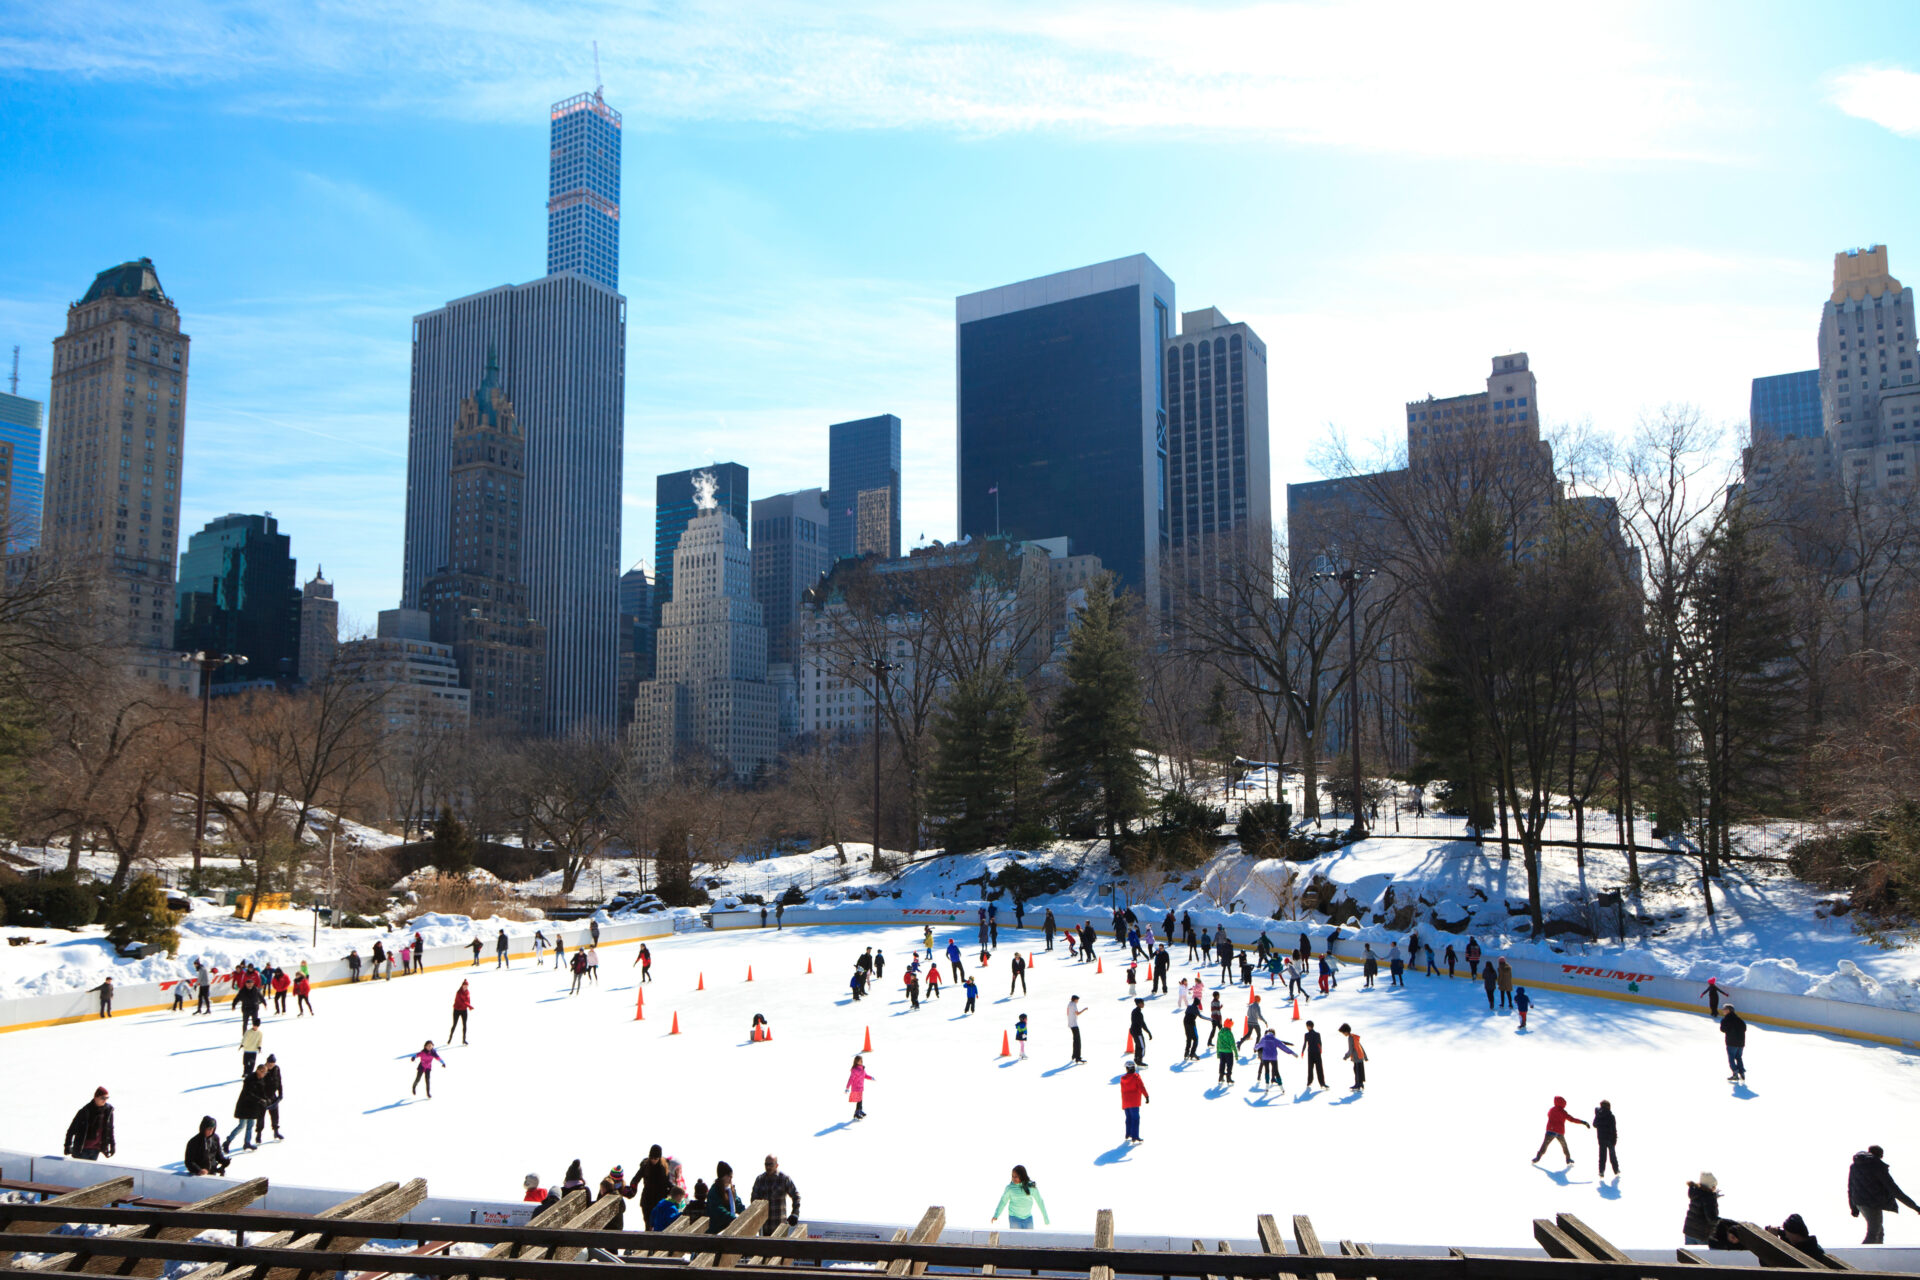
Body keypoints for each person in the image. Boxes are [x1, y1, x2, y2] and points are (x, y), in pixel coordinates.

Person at [1849, 1145, 1920, 1244]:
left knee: (1879, 1232)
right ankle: (1863, 1255)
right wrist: (1915, 1207)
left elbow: (1851, 1187)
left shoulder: (1855, 1165)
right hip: (1872, 1204)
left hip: (1859, 1202)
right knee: (1873, 1233)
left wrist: (1853, 1207)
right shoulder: (1877, 1166)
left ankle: (1876, 1254)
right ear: (1879, 1155)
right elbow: (1894, 1189)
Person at [225, 1063, 273, 1152]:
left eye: (265, 1072)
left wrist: (267, 1099)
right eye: (262, 1072)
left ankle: (247, 1142)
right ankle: (228, 1141)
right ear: (258, 1070)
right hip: (244, 1106)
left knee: (250, 1125)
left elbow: (262, 1092)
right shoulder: (250, 1079)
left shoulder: (261, 1080)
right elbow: (248, 1094)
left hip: (253, 1107)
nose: (263, 1074)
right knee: (241, 1125)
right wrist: (260, 1100)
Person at [750, 1154, 801, 1233]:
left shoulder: (784, 1179)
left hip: (780, 1227)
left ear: (776, 1165)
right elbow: (754, 1201)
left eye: (771, 1164)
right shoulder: (760, 1180)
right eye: (766, 1164)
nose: (768, 1167)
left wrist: (795, 1213)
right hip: (764, 1228)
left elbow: (796, 1196)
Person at [1532, 1096, 1587, 1165]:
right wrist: (1583, 1122)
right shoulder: (1563, 1112)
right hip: (1559, 1132)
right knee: (1564, 1145)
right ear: (1563, 1104)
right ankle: (1568, 1159)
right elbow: (1572, 1119)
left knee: (1545, 1145)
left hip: (1550, 1130)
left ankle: (1538, 1157)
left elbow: (1548, 1115)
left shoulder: (1551, 1109)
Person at [64, 1087, 116, 1161]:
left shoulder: (108, 1111)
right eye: (102, 1098)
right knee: (80, 1172)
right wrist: (67, 1146)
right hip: (82, 1150)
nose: (105, 1100)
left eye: (107, 1098)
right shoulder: (85, 1111)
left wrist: (112, 1145)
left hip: (96, 1149)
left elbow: (110, 1129)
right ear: (96, 1097)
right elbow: (71, 1130)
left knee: (90, 1171)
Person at [992, 1165, 1050, 1230]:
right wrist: (996, 1215)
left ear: (1022, 1176)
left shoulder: (1031, 1187)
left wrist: (1046, 1218)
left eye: (1016, 1177)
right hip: (1014, 1218)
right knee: (1017, 1239)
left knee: (1029, 1239)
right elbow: (1003, 1202)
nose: (1013, 1179)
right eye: (1012, 1176)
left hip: (1028, 1218)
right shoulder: (1010, 1188)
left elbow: (1040, 1201)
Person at [1684, 1173, 1724, 1247]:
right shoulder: (1709, 1198)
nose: (1715, 1188)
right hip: (1702, 1235)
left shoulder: (1696, 1193)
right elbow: (1711, 1218)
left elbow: (1702, 1203)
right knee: (1703, 1257)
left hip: (1689, 1232)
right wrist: (1725, 1222)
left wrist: (1714, 1197)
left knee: (1689, 1256)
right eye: (1713, 1185)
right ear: (1710, 1186)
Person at [706, 1162, 742, 1234]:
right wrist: (733, 1219)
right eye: (729, 1176)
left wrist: (746, 1214)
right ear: (723, 1176)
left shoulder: (731, 1190)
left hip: (730, 1228)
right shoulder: (714, 1191)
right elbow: (718, 1210)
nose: (731, 1178)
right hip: (717, 1230)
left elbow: (738, 1204)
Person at [1119, 1061, 1150, 1143]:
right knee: (1135, 1119)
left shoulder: (1123, 1079)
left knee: (1128, 1118)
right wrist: (1146, 1096)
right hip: (1134, 1102)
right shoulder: (1136, 1077)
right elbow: (1141, 1087)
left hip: (1126, 1102)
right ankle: (1135, 1136)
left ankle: (1128, 1133)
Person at [1720, 1006, 1748, 1081]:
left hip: (1731, 1042)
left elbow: (1722, 1029)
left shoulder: (1726, 1019)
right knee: (1738, 1057)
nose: (1723, 1010)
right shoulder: (1739, 1019)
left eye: (1724, 1009)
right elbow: (1744, 1028)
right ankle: (1742, 1072)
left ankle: (1735, 1073)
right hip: (1741, 1043)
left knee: (1731, 1058)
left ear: (1728, 1010)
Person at [263, 1054, 285, 1139]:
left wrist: (280, 1094)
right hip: (264, 1097)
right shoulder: (262, 1069)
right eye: (269, 1064)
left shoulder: (277, 1069)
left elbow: (279, 1081)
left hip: (273, 1096)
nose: (271, 1066)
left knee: (275, 1115)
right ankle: (259, 1134)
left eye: (272, 1064)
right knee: (261, 1117)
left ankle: (276, 1132)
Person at [1594, 1100, 1620, 1175]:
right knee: (1612, 1156)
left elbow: (1594, 1124)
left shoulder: (1598, 1115)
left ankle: (1601, 1171)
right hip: (1610, 1139)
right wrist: (1615, 1139)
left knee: (1602, 1156)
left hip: (1601, 1139)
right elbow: (1614, 1129)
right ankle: (1616, 1170)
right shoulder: (1611, 1116)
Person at [1339, 1022, 1366, 1090]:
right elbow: (1360, 1046)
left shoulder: (1350, 1038)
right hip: (1360, 1056)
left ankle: (1358, 1085)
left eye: (1343, 1033)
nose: (1343, 1034)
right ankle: (1361, 1084)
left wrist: (1346, 1056)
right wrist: (1365, 1056)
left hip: (1356, 1057)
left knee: (1356, 1071)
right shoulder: (1354, 1036)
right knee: (1360, 1070)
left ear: (1346, 1032)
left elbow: (1350, 1050)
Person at [846, 1054, 873, 1119]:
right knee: (859, 1100)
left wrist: (871, 1077)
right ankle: (857, 1112)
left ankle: (859, 1110)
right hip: (856, 1087)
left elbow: (865, 1075)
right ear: (856, 1061)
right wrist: (847, 1087)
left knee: (860, 1100)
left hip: (861, 1087)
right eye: (860, 1061)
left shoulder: (862, 1068)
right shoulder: (854, 1070)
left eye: (861, 1061)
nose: (861, 1062)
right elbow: (851, 1079)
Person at [1303, 1020, 1327, 1088]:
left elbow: (1305, 1044)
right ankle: (1322, 1083)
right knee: (1319, 1068)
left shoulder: (1306, 1035)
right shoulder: (1317, 1034)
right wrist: (1320, 1051)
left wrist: (1302, 1051)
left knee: (1310, 1068)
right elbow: (1320, 1044)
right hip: (1317, 1052)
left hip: (1310, 1053)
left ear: (1308, 1026)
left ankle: (1309, 1082)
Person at [1129, 998, 1152, 1065]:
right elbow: (1142, 1024)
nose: (1143, 1004)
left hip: (1133, 1031)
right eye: (1142, 1003)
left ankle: (1136, 1059)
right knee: (1142, 1046)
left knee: (1138, 1045)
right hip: (1137, 1032)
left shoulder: (1134, 1011)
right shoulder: (1138, 1013)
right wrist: (1148, 1032)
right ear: (1139, 1004)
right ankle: (1139, 1060)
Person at [1066, 996, 1085, 1064]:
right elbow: (1077, 1013)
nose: (1078, 1001)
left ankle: (1074, 1055)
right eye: (1077, 1000)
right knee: (1078, 1042)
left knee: (1075, 1041)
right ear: (1075, 999)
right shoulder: (1073, 1004)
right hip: (1074, 1024)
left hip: (1070, 1024)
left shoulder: (1069, 1004)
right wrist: (1084, 1009)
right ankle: (1077, 1057)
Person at [1182, 996, 1202, 1061]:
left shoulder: (1189, 1007)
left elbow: (1186, 1013)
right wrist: (1211, 1019)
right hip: (1191, 1023)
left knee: (1189, 1038)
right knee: (1196, 1039)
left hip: (1185, 1022)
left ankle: (1186, 1053)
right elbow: (1201, 1016)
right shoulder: (1196, 1009)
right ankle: (1192, 1053)